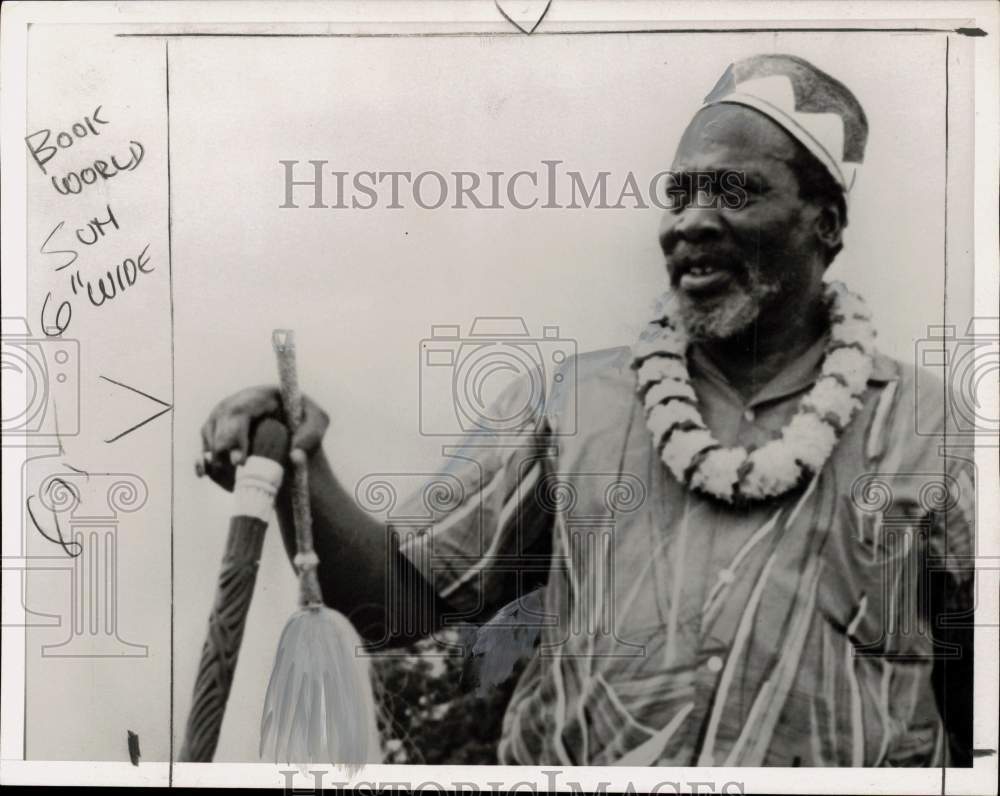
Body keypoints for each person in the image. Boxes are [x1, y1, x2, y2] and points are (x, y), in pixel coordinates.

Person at [197, 54, 974, 766]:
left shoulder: (936, 431)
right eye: (680, 193)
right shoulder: (570, 403)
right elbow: (396, 609)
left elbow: (978, 688)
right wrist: (306, 465)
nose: (692, 220)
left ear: (826, 225)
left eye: (735, 191)